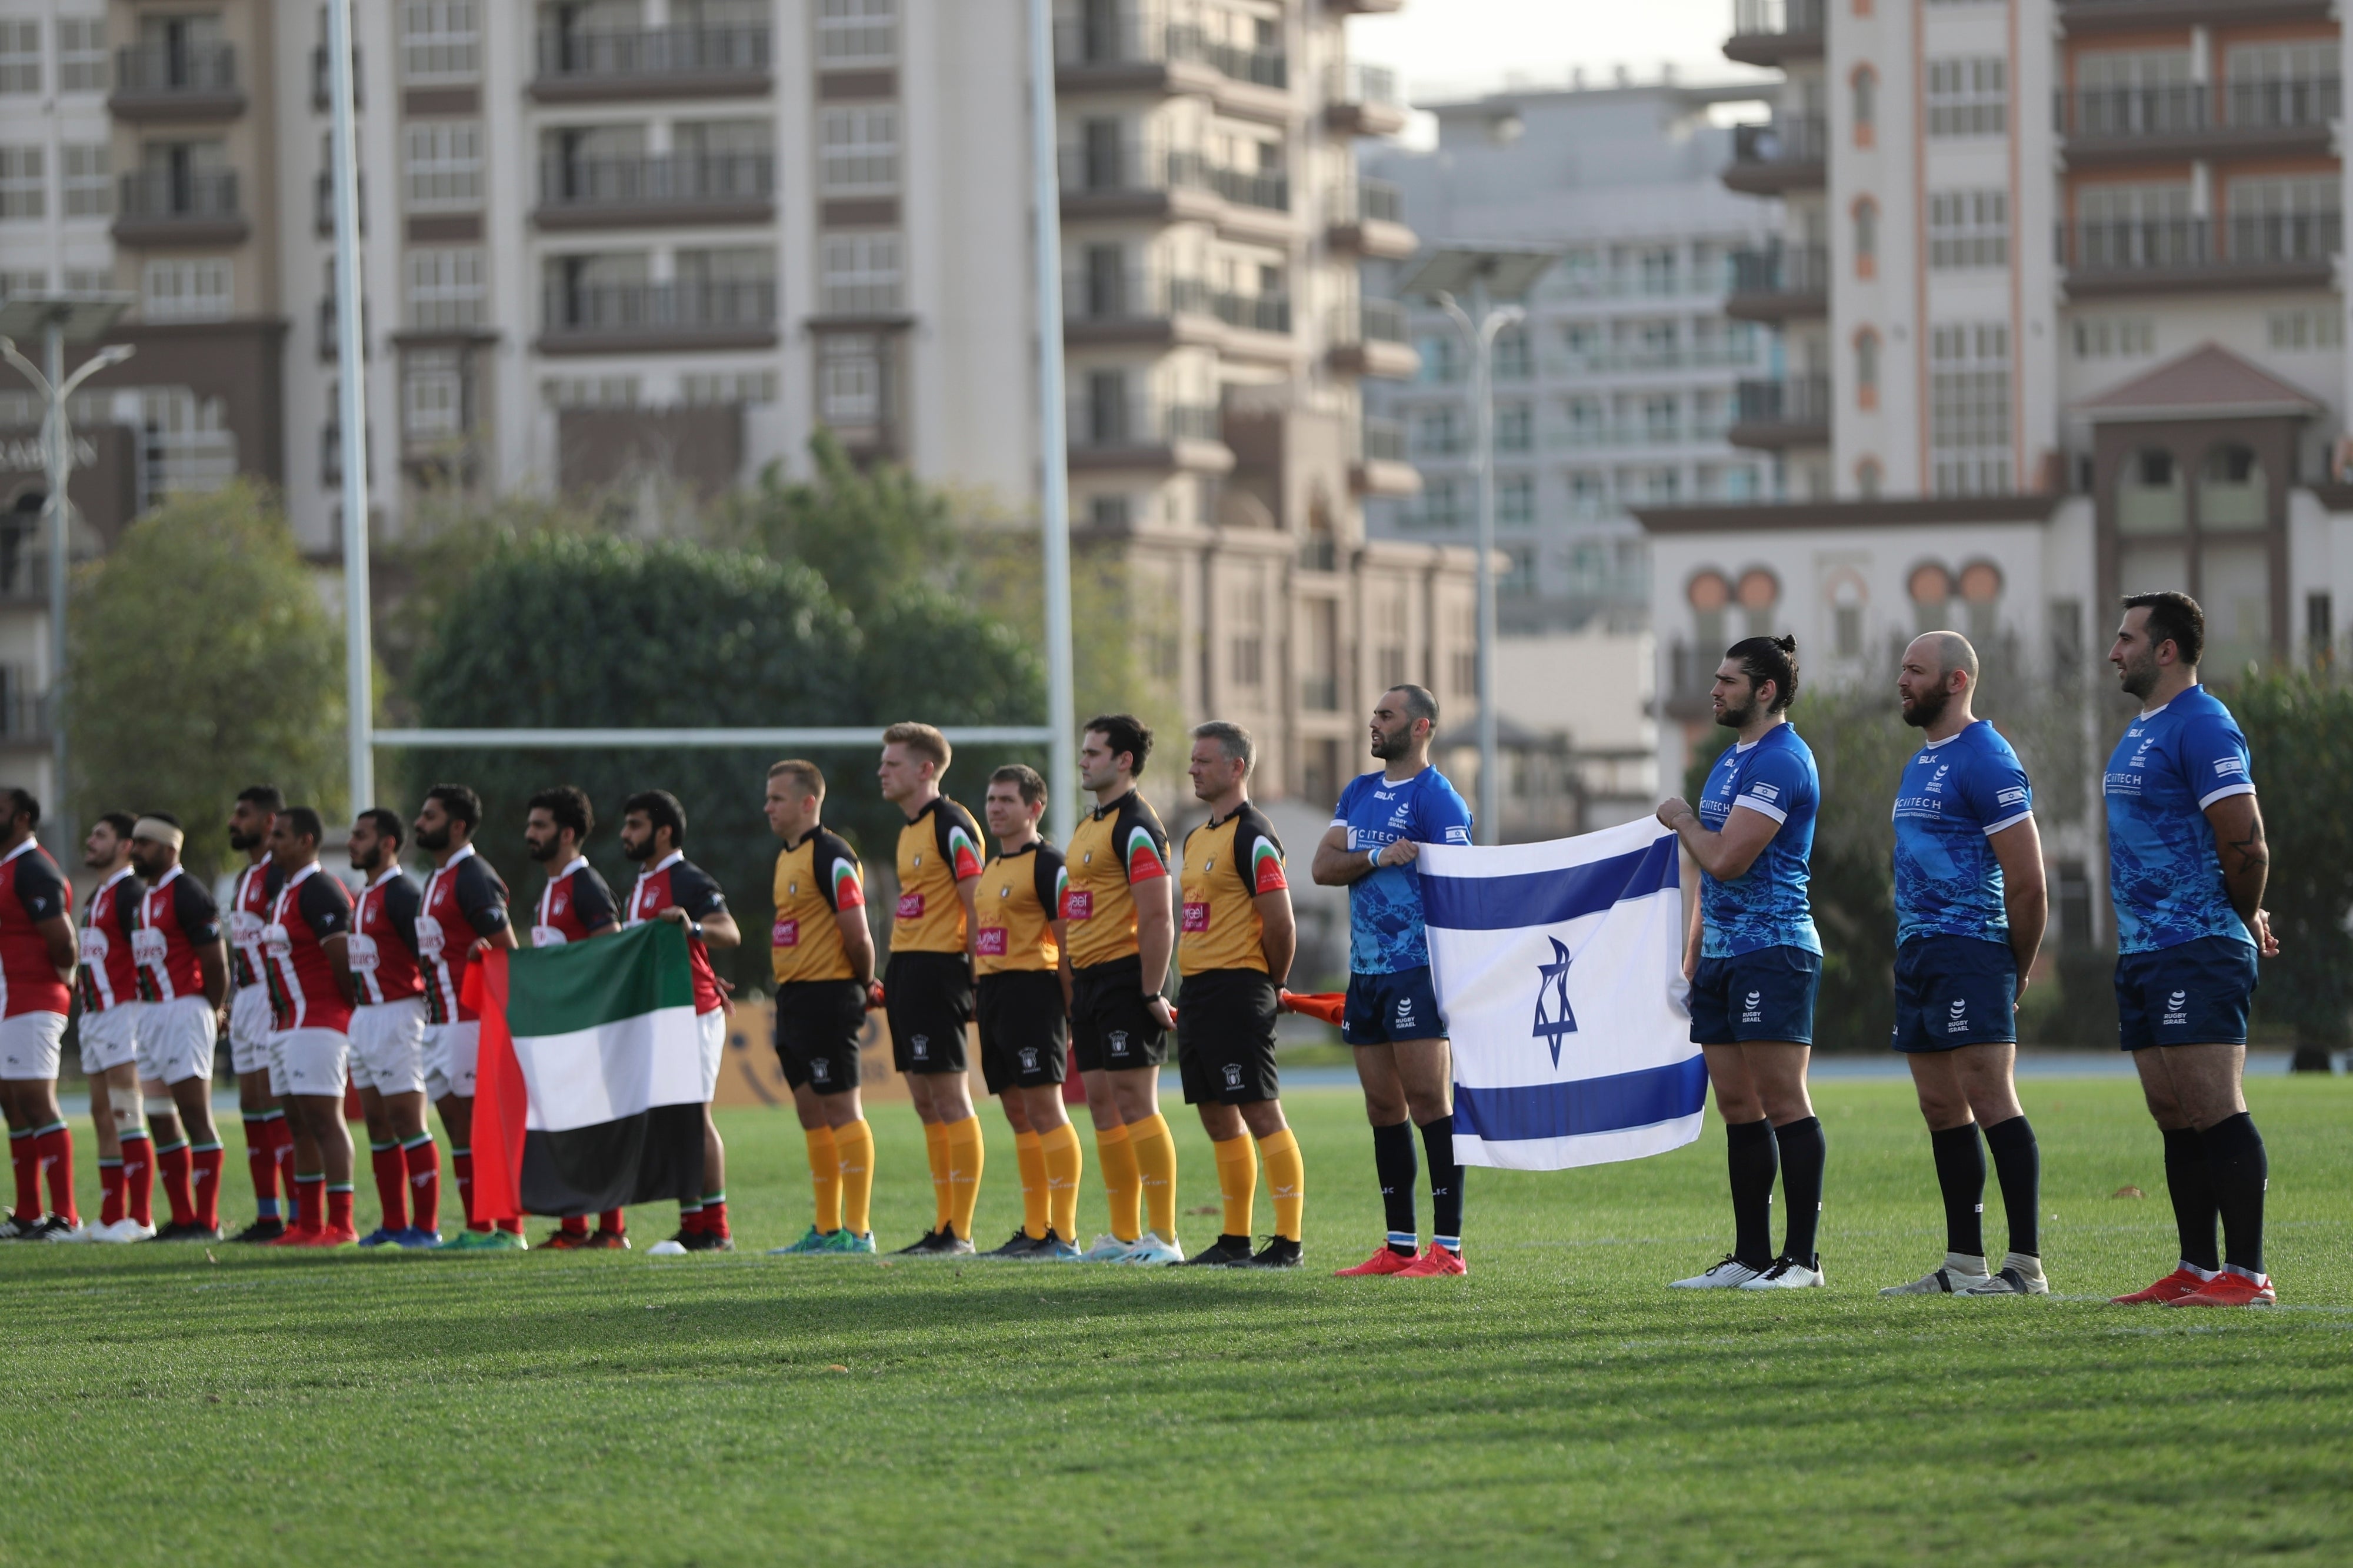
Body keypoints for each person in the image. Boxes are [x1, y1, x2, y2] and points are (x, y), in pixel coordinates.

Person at [2102, 593, 2280, 1309]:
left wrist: (2239, 915)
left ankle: (2248, 1274)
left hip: (2197, 945)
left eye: (2126, 638)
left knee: (2214, 1105)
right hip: (2143, 951)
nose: (2115, 651)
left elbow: (2246, 841)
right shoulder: (2141, 729)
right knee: (2172, 1111)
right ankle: (2197, 1268)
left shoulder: (2205, 724)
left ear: (2165, 649)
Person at [1879, 634, 2050, 1298]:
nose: (1901, 680)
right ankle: (1962, 1264)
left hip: (1973, 948)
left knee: (1989, 1097)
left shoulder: (1987, 757)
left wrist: (2019, 965)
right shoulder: (1920, 762)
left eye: (1914, 670)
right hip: (1919, 950)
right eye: (1901, 668)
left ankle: (2026, 1265)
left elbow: (2028, 881)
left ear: (1954, 681)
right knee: (1939, 1106)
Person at [1655, 636, 1828, 1291]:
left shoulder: (1783, 759)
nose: (1715, 689)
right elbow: (1710, 874)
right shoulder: (1731, 759)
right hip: (1725, 957)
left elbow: (1726, 857)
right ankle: (1750, 1254)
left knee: (1783, 1100)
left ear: (1765, 690)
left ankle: (1803, 1259)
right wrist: (1694, 954)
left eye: (1728, 680)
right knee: (1737, 1105)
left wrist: (1679, 818)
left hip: (1774, 950)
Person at [1313, 686, 1475, 1279]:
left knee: (1430, 1102)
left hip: (1417, 970)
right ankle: (1400, 1245)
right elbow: (1322, 866)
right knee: (1383, 1106)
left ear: (1421, 726)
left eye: (1386, 715)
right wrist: (1378, 857)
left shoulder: (1439, 801)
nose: (1373, 723)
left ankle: (1448, 1249)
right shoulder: (1357, 791)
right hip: (1368, 971)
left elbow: (1461, 887)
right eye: (1374, 714)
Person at [1174, 723, 1304, 1269]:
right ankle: (1234, 1239)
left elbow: (1281, 924)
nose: (1193, 769)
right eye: (1193, 760)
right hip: (1199, 991)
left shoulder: (1254, 835)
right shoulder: (1197, 836)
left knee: (1260, 1113)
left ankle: (1288, 1243)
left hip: (1238, 988)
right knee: (1216, 1116)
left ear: (1236, 768)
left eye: (1204, 760)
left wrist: (1269, 983)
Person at [1062, 714, 1181, 1264]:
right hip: (1088, 981)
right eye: (1083, 752)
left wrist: (1151, 991)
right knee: (1104, 1107)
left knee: (1136, 1102)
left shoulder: (1136, 825)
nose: (1083, 761)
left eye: (1093, 753)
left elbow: (1158, 917)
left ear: (1124, 760)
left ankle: (1165, 1238)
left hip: (1124, 979)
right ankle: (1123, 1235)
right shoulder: (1090, 825)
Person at [761, 760, 881, 1257]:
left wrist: (862, 983)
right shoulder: (786, 858)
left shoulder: (832, 855)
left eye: (777, 799)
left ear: (808, 802)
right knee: (812, 1113)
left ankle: (858, 1231)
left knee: (841, 1108)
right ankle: (827, 1228)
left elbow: (858, 933)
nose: (768, 807)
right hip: (793, 998)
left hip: (830, 994)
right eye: (768, 799)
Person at [876, 722, 988, 1256]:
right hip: (908, 970)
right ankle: (943, 1225)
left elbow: (977, 904)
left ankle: (959, 1231)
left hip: (941, 969)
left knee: (949, 1096)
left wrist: (976, 974)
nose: (882, 771)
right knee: (925, 1100)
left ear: (925, 769)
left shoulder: (952, 823)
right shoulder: (908, 830)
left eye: (892, 763)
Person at [619, 790, 741, 1256]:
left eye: (635, 825)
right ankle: (693, 1226)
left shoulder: (686, 878)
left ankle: (717, 1229)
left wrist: (693, 927)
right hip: (660, 1016)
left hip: (693, 1014)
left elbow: (729, 932)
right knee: (673, 1123)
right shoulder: (639, 886)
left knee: (694, 1117)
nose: (626, 834)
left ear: (663, 831)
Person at [971, 763, 1082, 1262]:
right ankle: (1035, 1230)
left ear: (1034, 808)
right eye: (991, 799)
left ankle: (1064, 1234)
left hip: (1033, 993)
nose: (995, 808)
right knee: (1018, 1114)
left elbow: (1067, 942)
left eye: (1006, 801)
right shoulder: (991, 869)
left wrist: (1072, 1011)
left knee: (1044, 1110)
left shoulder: (1049, 865)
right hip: (995, 996)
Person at [414, 783, 521, 1250]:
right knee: (457, 1127)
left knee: (485, 1124)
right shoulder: (437, 877)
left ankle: (509, 1228)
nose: (420, 823)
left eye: (430, 816)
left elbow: (507, 948)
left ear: (457, 826)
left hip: (469, 1019)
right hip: (436, 1020)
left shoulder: (473, 875)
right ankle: (479, 1225)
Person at [522, 786, 626, 1249]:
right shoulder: (551, 889)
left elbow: (610, 949)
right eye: (530, 825)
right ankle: (575, 1227)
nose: (530, 834)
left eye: (540, 826)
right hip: (558, 1029)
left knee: (594, 1128)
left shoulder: (586, 885)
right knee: (566, 1126)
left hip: (589, 1027)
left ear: (567, 833)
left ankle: (611, 1231)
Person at [259, 808, 361, 1247]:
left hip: (318, 1022)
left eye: (280, 836)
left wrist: (344, 1010)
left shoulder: (320, 890)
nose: (271, 843)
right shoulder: (284, 892)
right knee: (297, 1123)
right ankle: (309, 1223)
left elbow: (342, 959)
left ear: (305, 840)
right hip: (285, 1025)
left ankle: (341, 1224)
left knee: (324, 1121)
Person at [128, 813, 231, 1243]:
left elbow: (215, 962)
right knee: (160, 1118)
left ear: (170, 849)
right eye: (134, 843)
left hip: (184, 1012)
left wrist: (211, 1010)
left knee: (195, 1116)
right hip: (150, 1015)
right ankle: (183, 1217)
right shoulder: (146, 897)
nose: (136, 850)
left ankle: (206, 1222)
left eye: (145, 844)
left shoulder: (188, 892)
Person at [345, 808, 440, 1249]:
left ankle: (425, 1228)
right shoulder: (364, 894)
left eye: (361, 836)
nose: (352, 842)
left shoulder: (402, 894)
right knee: (378, 1125)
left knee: (407, 1119)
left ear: (387, 843)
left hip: (399, 1015)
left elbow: (424, 957)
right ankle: (393, 1224)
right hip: (365, 1017)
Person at [0, 788, 78, 1241]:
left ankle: (65, 1216)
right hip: (10, 1000)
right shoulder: (8, 867)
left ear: (22, 818)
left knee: (36, 1100)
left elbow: (64, 942)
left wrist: (62, 980)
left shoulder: (33, 868)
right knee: (13, 1105)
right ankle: (28, 1213)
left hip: (34, 999)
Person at [74, 813, 154, 1241]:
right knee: (102, 1114)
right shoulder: (98, 896)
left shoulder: (130, 894)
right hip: (94, 1017)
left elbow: (143, 955)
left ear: (125, 845)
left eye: (100, 835)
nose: (90, 841)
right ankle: (109, 1216)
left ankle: (140, 1219)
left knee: (126, 1109)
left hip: (123, 1013)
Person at [223, 785, 295, 1243]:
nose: (234, 821)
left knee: (278, 1107)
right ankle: (268, 1215)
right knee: (252, 1107)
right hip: (247, 999)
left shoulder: (278, 875)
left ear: (270, 821)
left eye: (243, 814)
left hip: (273, 998)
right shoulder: (244, 877)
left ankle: (300, 1213)